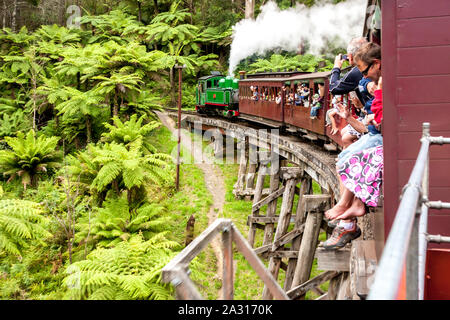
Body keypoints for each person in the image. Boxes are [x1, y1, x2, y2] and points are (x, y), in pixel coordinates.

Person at [323, 42, 383, 250]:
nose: (363, 76)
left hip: (377, 137)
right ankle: (350, 207)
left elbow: (334, 87)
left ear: (376, 64)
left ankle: (348, 208)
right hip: (371, 132)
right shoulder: (374, 81)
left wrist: (336, 67)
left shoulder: (374, 83)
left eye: (364, 71)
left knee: (346, 157)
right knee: (344, 156)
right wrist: (350, 117)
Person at [329, 37, 368, 101]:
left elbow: (333, 88)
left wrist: (336, 67)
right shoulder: (371, 64)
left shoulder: (356, 72)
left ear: (350, 56)